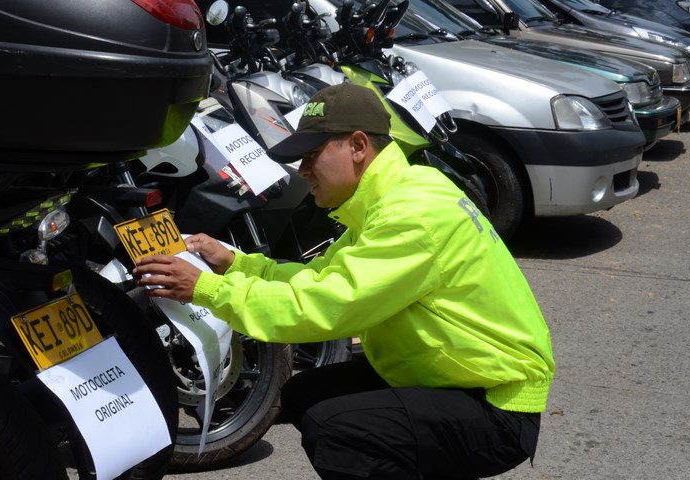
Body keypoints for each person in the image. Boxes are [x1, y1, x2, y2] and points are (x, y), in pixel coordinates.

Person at [134, 83, 555, 480]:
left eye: (311, 155)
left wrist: (207, 289)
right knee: (307, 394)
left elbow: (325, 306)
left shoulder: (412, 215)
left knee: (337, 429)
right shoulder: (397, 193)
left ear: (357, 146)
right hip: (451, 378)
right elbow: (320, 278)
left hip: (497, 404)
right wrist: (236, 264)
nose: (303, 171)